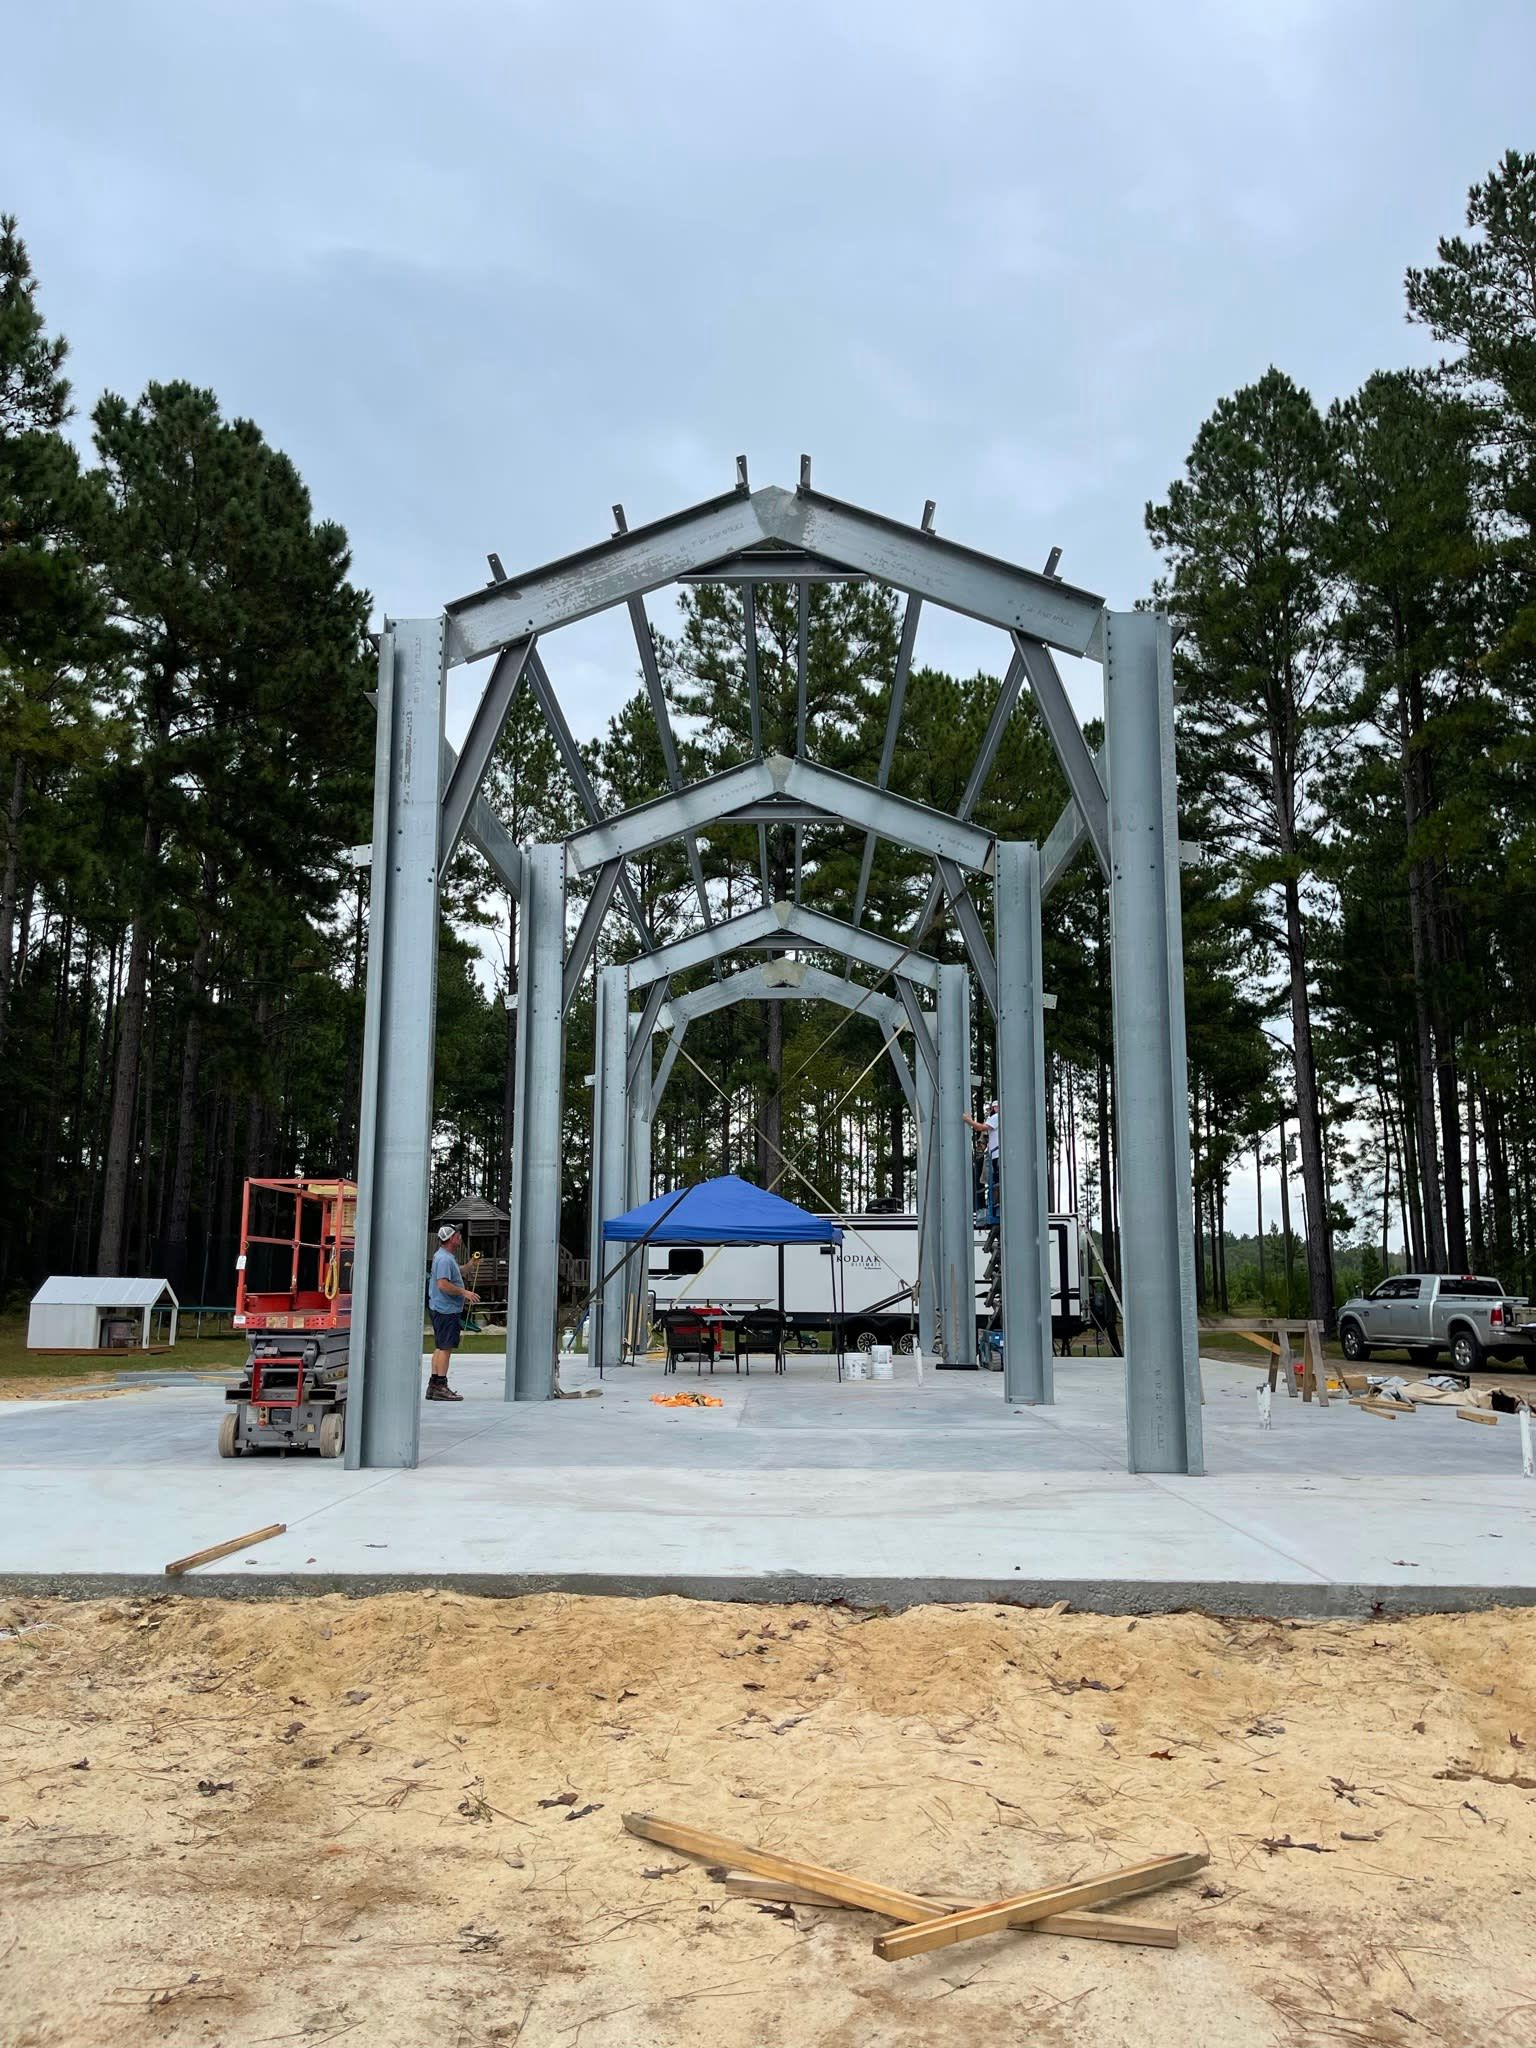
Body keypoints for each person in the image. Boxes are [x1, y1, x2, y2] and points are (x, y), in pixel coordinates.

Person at [426, 1223, 478, 1402]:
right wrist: (464, 1292)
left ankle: (433, 1385)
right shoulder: (444, 1259)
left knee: (440, 1346)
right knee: (445, 1348)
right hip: (446, 1310)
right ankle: (441, 1386)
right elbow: (443, 1284)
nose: (460, 1237)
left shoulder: (445, 1257)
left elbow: (457, 1272)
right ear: (451, 1239)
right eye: (458, 1235)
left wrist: (471, 1264)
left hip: (442, 1308)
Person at [964, 1099, 1000, 1225]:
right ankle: (995, 1201)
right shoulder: (997, 1119)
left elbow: (981, 1127)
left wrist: (968, 1121)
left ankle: (996, 1202)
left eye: (992, 1108)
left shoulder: (997, 1117)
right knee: (995, 1181)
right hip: (994, 1155)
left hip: (997, 1155)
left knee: (996, 1181)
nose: (991, 1111)